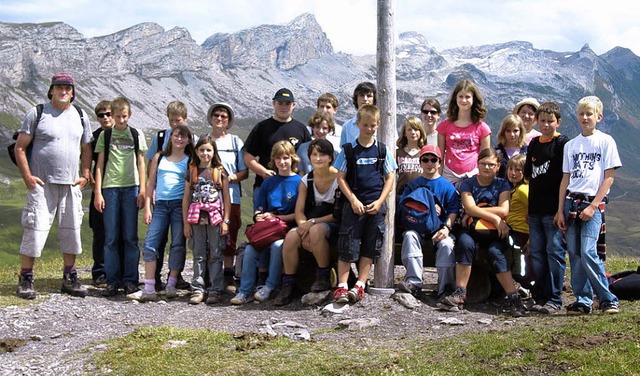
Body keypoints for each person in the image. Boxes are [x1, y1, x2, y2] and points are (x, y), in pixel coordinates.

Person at [15, 73, 93, 299]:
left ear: (73, 92)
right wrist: (28, 177)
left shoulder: (80, 114)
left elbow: (86, 147)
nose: (64, 91)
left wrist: (85, 174)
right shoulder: (37, 113)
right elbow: (20, 147)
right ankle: (26, 278)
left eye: (68, 88)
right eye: (59, 87)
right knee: (34, 229)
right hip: (42, 183)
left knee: (72, 231)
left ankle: (70, 277)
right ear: (51, 90)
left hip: (70, 184)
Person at [555, 96, 622, 315]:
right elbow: (565, 179)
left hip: (592, 203)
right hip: (571, 202)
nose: (585, 117)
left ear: (599, 117)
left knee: (588, 251)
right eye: (581, 113)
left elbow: (608, 177)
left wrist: (594, 206)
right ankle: (583, 300)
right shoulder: (571, 145)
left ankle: (607, 298)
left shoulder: (606, 141)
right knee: (573, 253)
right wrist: (559, 210)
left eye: (589, 114)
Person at [440, 149, 526, 317]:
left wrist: (477, 212)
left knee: (496, 253)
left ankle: (513, 298)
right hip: (474, 230)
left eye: (491, 164)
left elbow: (504, 209)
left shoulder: (502, 184)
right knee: (464, 244)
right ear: (477, 165)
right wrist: (494, 219)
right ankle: (460, 293)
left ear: (498, 166)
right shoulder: (468, 183)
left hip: (495, 233)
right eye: (483, 163)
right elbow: (469, 207)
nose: (487, 167)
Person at [333, 104, 396, 303]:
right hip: (353, 205)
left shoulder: (383, 150)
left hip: (375, 206)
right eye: (365, 125)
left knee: (370, 245)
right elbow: (340, 177)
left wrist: (380, 201)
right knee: (347, 245)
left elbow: (390, 177)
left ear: (378, 125)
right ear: (358, 124)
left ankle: (360, 285)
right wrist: (352, 199)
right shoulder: (349, 150)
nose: (369, 129)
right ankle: (342, 287)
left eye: (373, 125)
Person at [231, 141, 302, 304]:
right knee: (249, 249)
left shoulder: (299, 182)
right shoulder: (268, 181)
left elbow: (298, 214)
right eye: (278, 158)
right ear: (273, 160)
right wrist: (258, 215)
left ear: (292, 159)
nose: (282, 162)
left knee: (277, 246)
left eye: (286, 158)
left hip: (286, 228)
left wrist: (276, 218)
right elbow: (259, 206)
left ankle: (270, 286)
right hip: (268, 227)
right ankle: (245, 291)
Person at [274, 139, 339, 306]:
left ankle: (323, 276)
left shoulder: (339, 178)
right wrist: (303, 226)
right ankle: (288, 283)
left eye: (322, 155)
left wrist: (311, 224)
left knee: (317, 230)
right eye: (314, 155)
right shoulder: (307, 180)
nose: (318, 159)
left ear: (331, 157)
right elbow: (299, 211)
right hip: (311, 223)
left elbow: (339, 214)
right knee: (291, 236)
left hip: (334, 224)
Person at [93, 97, 148, 297]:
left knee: (130, 237)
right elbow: (99, 165)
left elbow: (141, 163)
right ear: (112, 116)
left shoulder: (135, 134)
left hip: (131, 188)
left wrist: (143, 190)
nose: (122, 120)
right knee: (110, 237)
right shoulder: (105, 136)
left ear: (129, 115)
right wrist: (98, 192)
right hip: (110, 188)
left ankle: (131, 280)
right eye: (118, 117)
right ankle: (112, 280)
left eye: (125, 116)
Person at [136, 125, 195, 302]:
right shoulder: (159, 157)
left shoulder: (190, 160)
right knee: (150, 243)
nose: (179, 139)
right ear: (171, 137)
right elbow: (150, 183)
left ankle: (171, 283)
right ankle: (149, 286)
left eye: (184, 137)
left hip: (179, 206)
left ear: (189, 141)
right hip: (160, 205)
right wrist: (147, 207)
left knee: (177, 243)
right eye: (177, 136)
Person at [524, 102, 568, 314]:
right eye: (542, 120)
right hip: (534, 209)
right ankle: (539, 295)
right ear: (537, 121)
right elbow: (528, 174)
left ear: (558, 122)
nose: (546, 125)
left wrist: (561, 210)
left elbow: (565, 178)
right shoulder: (533, 144)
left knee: (554, 252)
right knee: (538, 253)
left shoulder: (562, 144)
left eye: (550, 121)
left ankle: (555, 297)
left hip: (553, 209)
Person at [397, 145, 458, 299]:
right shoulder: (413, 185)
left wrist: (446, 228)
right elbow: (402, 207)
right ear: (420, 162)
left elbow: (453, 211)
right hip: (416, 229)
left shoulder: (447, 187)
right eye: (425, 159)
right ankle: (414, 283)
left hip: (439, 230)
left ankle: (445, 288)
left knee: (447, 245)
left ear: (439, 162)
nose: (429, 163)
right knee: (409, 236)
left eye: (433, 159)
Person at [145, 101, 191, 290]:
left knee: (178, 242)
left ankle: (173, 280)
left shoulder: (190, 154)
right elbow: (151, 176)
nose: (174, 126)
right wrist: (148, 202)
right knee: (155, 240)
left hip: (180, 202)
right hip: (162, 202)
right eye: (171, 122)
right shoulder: (160, 146)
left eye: (177, 121)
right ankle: (152, 281)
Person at [183, 136, 232, 305]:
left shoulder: (220, 171)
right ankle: (197, 289)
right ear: (196, 151)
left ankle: (215, 289)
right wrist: (185, 223)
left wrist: (226, 221)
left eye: (208, 150)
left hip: (216, 219)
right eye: (202, 150)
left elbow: (226, 197)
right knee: (198, 254)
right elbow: (186, 198)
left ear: (214, 152)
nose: (205, 153)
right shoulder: (192, 171)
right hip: (196, 219)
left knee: (216, 253)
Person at [206, 102, 248, 293]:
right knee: (208, 236)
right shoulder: (204, 139)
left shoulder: (235, 142)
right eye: (216, 115)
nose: (220, 119)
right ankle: (209, 276)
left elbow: (244, 171)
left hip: (231, 195)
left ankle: (228, 275)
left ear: (228, 120)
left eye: (224, 116)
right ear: (211, 118)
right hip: (207, 197)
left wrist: (230, 178)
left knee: (230, 234)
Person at [243, 88, 311, 193]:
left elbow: (309, 157)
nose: (284, 107)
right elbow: (248, 157)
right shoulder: (261, 128)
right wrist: (263, 172)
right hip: (264, 186)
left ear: (294, 105)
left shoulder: (301, 129)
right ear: (274, 103)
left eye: (287, 103)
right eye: (280, 103)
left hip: (295, 187)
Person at [437, 79, 491, 185]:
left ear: (474, 99)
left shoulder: (482, 128)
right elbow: (440, 156)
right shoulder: (444, 126)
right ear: (455, 99)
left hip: (473, 176)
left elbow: (485, 158)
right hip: (449, 176)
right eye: (461, 96)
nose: (464, 100)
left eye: (467, 97)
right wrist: (438, 179)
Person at [89, 100, 118, 288]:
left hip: (120, 188)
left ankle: (118, 270)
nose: (105, 118)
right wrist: (95, 189)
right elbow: (88, 166)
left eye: (108, 114)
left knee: (120, 231)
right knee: (100, 232)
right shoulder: (94, 138)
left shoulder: (125, 134)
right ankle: (99, 272)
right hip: (101, 189)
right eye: (101, 115)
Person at [505, 155, 529, 285]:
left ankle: (524, 285)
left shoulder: (523, 190)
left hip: (521, 233)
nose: (512, 173)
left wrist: (531, 241)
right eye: (510, 168)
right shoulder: (513, 189)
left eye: (518, 170)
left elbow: (534, 211)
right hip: (514, 231)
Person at [297, 110, 337, 175]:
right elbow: (300, 171)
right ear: (312, 128)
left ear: (329, 130)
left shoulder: (334, 150)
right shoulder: (302, 148)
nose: (321, 131)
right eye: (317, 127)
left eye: (324, 128)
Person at [396, 116, 427, 195]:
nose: (413, 132)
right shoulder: (397, 153)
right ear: (405, 133)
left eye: (416, 129)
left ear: (421, 132)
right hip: (401, 194)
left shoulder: (425, 153)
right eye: (409, 129)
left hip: (420, 194)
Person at [339, 82, 377, 146]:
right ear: (356, 98)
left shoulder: (383, 125)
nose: (365, 99)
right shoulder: (347, 127)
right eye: (361, 95)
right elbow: (344, 151)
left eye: (369, 96)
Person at [495, 114, 527, 178]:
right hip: (502, 187)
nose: (512, 134)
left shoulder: (527, 150)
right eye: (508, 131)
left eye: (515, 131)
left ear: (521, 131)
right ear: (503, 132)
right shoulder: (497, 151)